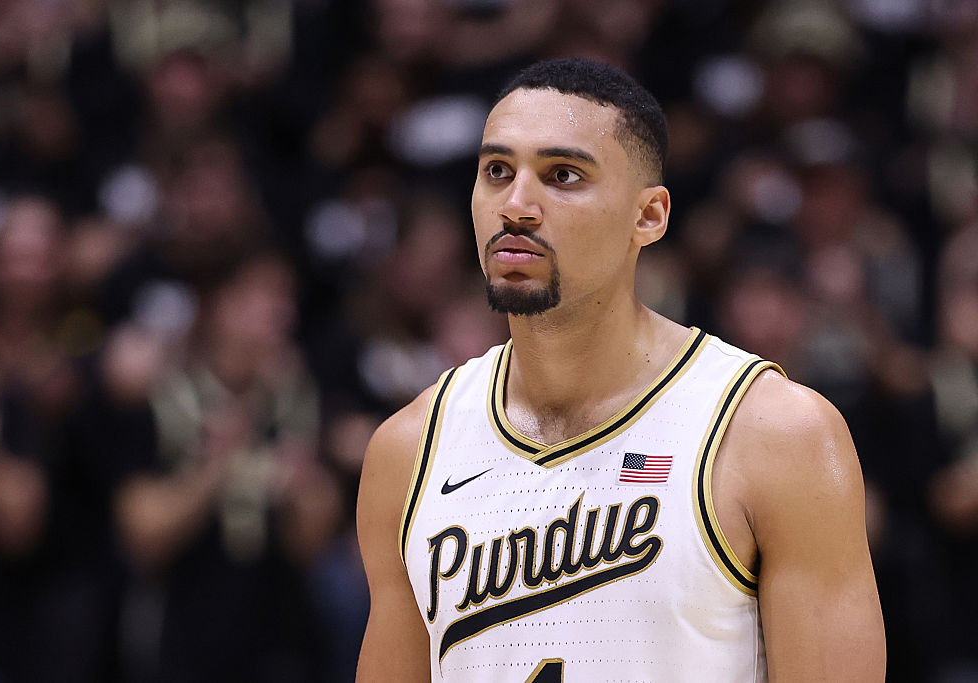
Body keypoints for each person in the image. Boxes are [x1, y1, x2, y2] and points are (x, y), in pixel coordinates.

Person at [356, 57, 885, 682]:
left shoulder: (775, 434)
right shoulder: (409, 449)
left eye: (562, 175)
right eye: (497, 171)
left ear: (649, 216)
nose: (517, 204)